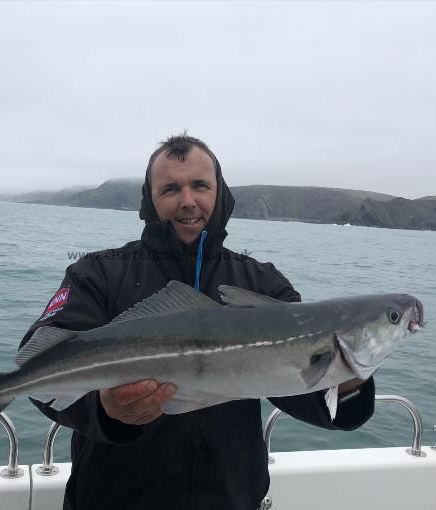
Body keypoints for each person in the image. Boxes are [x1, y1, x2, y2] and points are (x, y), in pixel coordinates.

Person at [19, 134, 375, 510]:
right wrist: (104, 411)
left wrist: (348, 374)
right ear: (149, 199)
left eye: (200, 185)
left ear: (219, 193)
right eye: (170, 188)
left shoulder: (262, 283)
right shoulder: (99, 273)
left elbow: (310, 394)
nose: (188, 201)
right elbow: (38, 365)